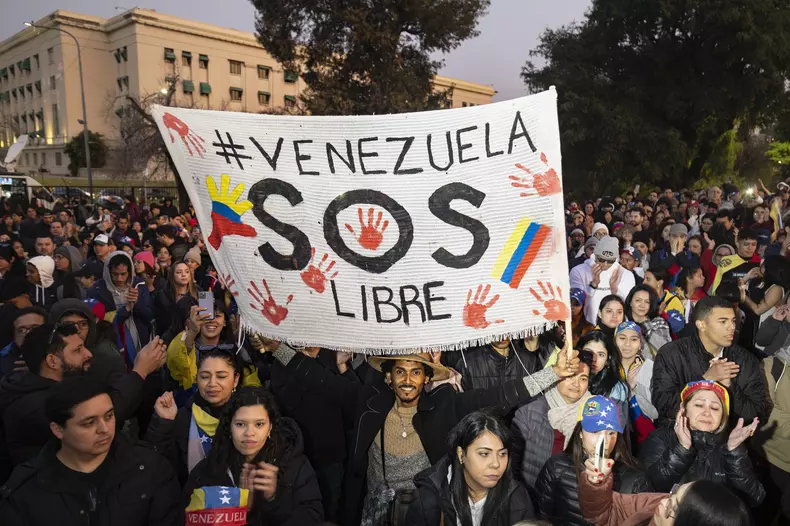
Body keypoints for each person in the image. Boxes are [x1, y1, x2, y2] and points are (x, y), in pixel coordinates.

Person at [268, 343, 579, 526]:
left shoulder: (445, 405)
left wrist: (552, 374)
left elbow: (498, 396)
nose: (407, 380)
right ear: (388, 378)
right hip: (370, 515)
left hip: (429, 514)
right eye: (400, 371)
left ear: (427, 378)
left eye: (416, 372)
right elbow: (318, 379)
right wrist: (276, 347)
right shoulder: (366, 403)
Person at [0, 376, 183, 526]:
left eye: (109, 416)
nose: (104, 429)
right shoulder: (25, 491)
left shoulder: (151, 468)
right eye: (89, 422)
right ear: (58, 429)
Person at [0, 323, 165, 466]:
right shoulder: (31, 406)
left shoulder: (65, 385)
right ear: (52, 361)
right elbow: (102, 413)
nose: (88, 354)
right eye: (78, 350)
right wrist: (140, 371)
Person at [183, 386, 325, 525]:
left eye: (259, 424)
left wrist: (274, 500)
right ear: (229, 427)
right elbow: (186, 518)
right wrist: (240, 510)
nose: (249, 433)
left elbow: (313, 518)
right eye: (240, 424)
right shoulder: (208, 470)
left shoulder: (294, 464)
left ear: (270, 428)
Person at [652, 296, 773, 428]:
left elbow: (758, 414)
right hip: (679, 439)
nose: (732, 327)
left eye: (733, 320)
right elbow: (664, 406)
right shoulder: (671, 354)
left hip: (726, 442)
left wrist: (730, 389)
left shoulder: (745, 359)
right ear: (701, 325)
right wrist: (704, 380)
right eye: (723, 322)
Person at [640, 380, 764, 507]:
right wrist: (681, 449)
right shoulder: (660, 438)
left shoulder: (731, 446)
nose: (707, 412)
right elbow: (649, 490)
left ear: (723, 418)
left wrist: (734, 452)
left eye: (715, 408)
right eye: (699, 405)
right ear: (683, 409)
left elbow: (753, 499)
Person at [534, 395, 649, 525]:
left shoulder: (635, 479)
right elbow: (541, 516)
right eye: (595, 431)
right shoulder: (556, 466)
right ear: (580, 433)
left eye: (611, 433)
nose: (603, 441)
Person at [406, 411, 535, 526]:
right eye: (484, 454)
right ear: (461, 454)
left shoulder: (518, 498)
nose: (496, 464)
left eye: (502, 454)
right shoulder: (428, 501)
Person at [146, 346, 240, 485]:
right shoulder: (183, 417)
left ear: (236, 380)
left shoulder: (248, 416)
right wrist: (164, 423)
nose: (212, 383)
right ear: (196, 379)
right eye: (205, 377)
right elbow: (163, 466)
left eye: (221, 376)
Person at [511, 350, 594, 490]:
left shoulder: (593, 414)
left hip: (574, 496)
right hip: (533, 496)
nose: (576, 383)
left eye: (583, 378)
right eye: (571, 376)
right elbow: (512, 466)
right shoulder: (528, 414)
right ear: (558, 376)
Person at [578, 466, 753, 526]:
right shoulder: (656, 504)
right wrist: (596, 484)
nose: (663, 502)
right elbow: (605, 514)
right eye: (674, 492)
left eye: (674, 508)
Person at [87, 251, 154, 369]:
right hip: (112, 343)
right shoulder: (98, 290)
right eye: (115, 274)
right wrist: (126, 309)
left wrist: (136, 303)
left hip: (140, 338)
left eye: (123, 274)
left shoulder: (139, 285)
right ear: (108, 272)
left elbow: (149, 315)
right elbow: (101, 322)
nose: (119, 278)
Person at [48, 298, 126, 387]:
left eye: (83, 324)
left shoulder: (107, 356)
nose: (77, 330)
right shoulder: (46, 351)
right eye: (68, 325)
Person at [570, 236, 636, 325]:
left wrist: (615, 290)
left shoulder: (626, 275)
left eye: (610, 261)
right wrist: (593, 285)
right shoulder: (578, 271)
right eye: (601, 259)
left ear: (616, 258)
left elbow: (629, 307)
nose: (605, 264)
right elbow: (576, 304)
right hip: (586, 327)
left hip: (616, 327)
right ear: (595, 255)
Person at [614, 321, 657, 444]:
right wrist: (626, 388)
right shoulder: (607, 369)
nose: (627, 344)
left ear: (640, 344)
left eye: (634, 339)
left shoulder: (650, 369)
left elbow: (654, 413)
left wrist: (635, 389)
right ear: (614, 341)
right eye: (622, 338)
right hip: (616, 438)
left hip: (646, 440)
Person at [578, 331, 630, 419]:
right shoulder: (568, 377)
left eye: (601, 355)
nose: (594, 359)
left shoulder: (617, 388)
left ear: (607, 360)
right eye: (588, 353)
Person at [153, 261, 199, 341]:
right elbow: (161, 324)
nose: (183, 275)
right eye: (179, 272)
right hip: (168, 341)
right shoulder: (162, 296)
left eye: (187, 272)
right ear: (172, 276)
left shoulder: (197, 294)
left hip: (193, 340)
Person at [625, 285, 672, 355]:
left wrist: (644, 321)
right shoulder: (624, 322)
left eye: (647, 302)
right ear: (630, 302)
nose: (642, 305)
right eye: (638, 300)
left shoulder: (658, 322)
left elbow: (665, 349)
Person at [643, 267, 686, 335]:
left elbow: (678, 326)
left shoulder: (673, 301)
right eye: (644, 279)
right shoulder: (642, 298)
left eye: (648, 279)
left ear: (659, 283)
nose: (643, 282)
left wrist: (661, 315)